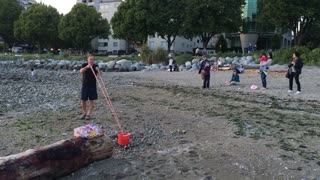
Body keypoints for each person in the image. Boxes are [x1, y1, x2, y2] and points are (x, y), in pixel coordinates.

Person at [80, 55, 100, 120]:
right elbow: (81, 71)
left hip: (93, 85)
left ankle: (88, 114)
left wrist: (98, 70)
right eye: (90, 59)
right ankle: (84, 113)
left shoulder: (95, 66)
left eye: (92, 59)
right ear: (87, 60)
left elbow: (100, 75)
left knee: (91, 100)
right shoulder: (84, 64)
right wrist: (86, 67)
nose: (91, 60)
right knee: (83, 99)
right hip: (85, 85)